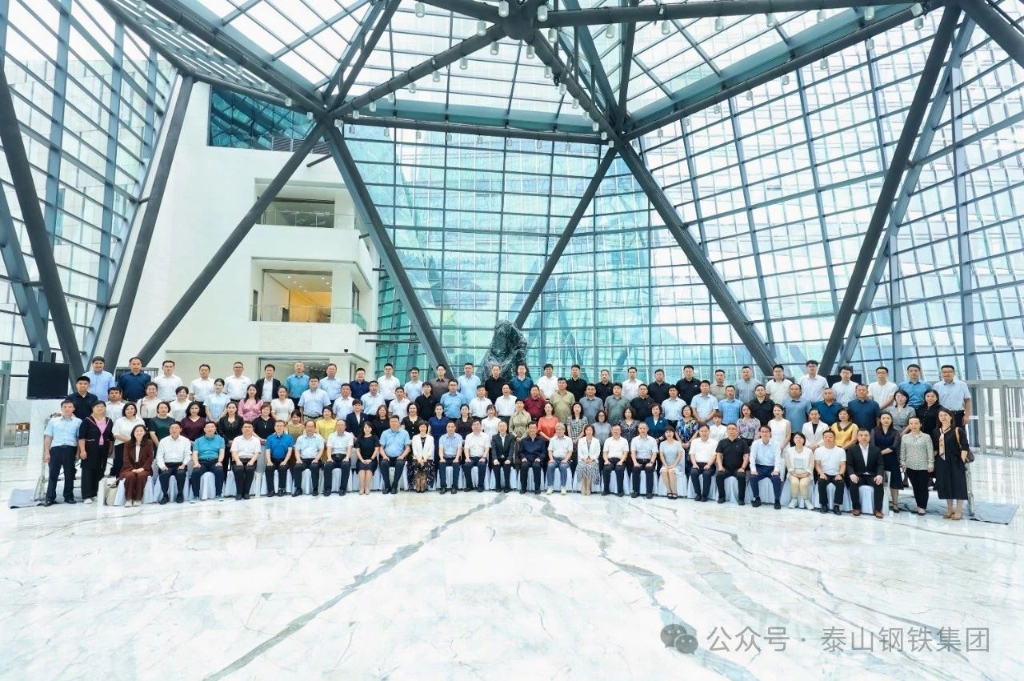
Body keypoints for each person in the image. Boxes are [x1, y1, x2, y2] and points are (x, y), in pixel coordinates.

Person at [932, 408, 970, 520]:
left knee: (958, 485)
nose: (943, 417)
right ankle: (949, 509)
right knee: (945, 485)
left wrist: (961, 461)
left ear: (950, 417)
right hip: (941, 461)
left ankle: (959, 510)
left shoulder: (957, 430)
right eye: (941, 415)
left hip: (955, 460)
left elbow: (964, 446)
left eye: (945, 415)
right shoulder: (936, 431)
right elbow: (935, 447)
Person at [42, 401, 82, 506]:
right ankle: (50, 498)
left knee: (69, 474)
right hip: (56, 449)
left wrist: (78, 452)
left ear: (73, 409)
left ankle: (68, 496)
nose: (67, 409)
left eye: (70, 407)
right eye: (65, 407)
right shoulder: (53, 421)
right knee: (53, 474)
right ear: (61, 408)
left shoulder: (78, 422)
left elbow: (79, 438)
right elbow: (48, 437)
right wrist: (47, 452)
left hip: (70, 449)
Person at [76, 401, 113, 505]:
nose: (100, 408)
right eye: (97, 406)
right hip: (89, 449)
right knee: (88, 471)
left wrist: (110, 449)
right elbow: (81, 437)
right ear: (93, 408)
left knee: (100, 470)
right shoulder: (87, 421)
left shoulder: (109, 421)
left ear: (105, 408)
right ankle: (87, 495)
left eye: (102, 406)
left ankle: (95, 493)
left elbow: (111, 438)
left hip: (103, 449)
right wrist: (83, 450)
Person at [847, 428, 885, 518]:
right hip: (858, 475)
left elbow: (880, 464)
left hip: (872, 475)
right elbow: (849, 464)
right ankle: (856, 508)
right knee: (853, 483)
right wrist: (852, 474)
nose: (863, 437)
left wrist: (879, 475)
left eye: (866, 435)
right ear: (857, 437)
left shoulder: (876, 450)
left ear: (869, 437)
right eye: (861, 435)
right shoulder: (852, 450)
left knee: (878, 483)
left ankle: (878, 510)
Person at [900, 416, 934, 515]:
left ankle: (922, 507)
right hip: (910, 466)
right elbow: (903, 451)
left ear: (920, 425)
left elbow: (930, 451)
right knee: (915, 487)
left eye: (916, 423)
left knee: (923, 487)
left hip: (924, 466)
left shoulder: (926, 437)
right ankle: (919, 505)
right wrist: (903, 462)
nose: (913, 425)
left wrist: (931, 463)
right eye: (911, 424)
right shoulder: (905, 437)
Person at [873, 412, 903, 513]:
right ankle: (879, 503)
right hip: (877, 460)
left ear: (891, 420)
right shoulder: (874, 431)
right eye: (883, 418)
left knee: (894, 482)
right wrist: (878, 455)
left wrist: (880, 453)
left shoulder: (896, 432)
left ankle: (895, 504)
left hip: (892, 459)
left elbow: (894, 446)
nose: (886, 420)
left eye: (888, 418)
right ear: (880, 420)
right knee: (878, 481)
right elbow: (872, 445)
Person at [748, 426, 783, 509]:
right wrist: (753, 469)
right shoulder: (755, 443)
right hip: (759, 467)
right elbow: (752, 457)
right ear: (759, 433)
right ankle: (757, 498)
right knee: (752, 477)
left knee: (776, 479)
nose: (765, 433)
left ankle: (777, 500)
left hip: (771, 467)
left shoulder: (776, 444)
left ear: (770, 433)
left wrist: (776, 470)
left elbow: (778, 457)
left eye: (767, 431)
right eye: (762, 432)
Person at [190, 421, 226, 502]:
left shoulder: (220, 439)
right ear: (204, 429)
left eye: (212, 427)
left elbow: (222, 452)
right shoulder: (198, 440)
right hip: (202, 462)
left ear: (215, 429)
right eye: (208, 427)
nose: (210, 428)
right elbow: (195, 453)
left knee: (219, 470)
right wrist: (196, 463)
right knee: (195, 472)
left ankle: (219, 494)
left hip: (215, 461)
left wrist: (219, 461)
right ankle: (195, 495)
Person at [156, 422, 190, 504]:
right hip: (166, 464)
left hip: (180, 464)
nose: (174, 430)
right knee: (164, 474)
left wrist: (183, 464)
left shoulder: (185, 441)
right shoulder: (163, 441)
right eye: (172, 428)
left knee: (181, 474)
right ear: (169, 430)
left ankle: (180, 494)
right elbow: (159, 455)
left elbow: (187, 455)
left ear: (180, 429)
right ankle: (165, 495)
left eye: (176, 428)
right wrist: (162, 466)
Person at [714, 425, 750, 505]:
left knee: (741, 476)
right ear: (727, 431)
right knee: (719, 475)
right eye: (729, 429)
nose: (731, 430)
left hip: (738, 468)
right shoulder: (722, 442)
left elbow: (746, 456)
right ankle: (721, 497)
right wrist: (720, 466)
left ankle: (741, 499)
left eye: (733, 429)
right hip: (726, 468)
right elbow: (718, 455)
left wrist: (743, 468)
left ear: (737, 431)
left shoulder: (742, 442)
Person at [120, 425, 154, 506]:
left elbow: (150, 457)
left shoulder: (149, 443)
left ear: (145, 432)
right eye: (137, 431)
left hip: (144, 468)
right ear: (133, 433)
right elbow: (125, 458)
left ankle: (138, 499)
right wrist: (132, 469)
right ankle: (129, 499)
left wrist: (142, 468)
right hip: (129, 467)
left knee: (141, 476)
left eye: (141, 431)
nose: (139, 433)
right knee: (130, 475)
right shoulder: (128, 443)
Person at [814, 430, 846, 515]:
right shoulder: (818, 450)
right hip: (824, 473)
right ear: (823, 438)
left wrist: (840, 474)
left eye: (830, 437)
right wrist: (821, 474)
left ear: (834, 438)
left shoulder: (841, 450)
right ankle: (824, 505)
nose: (828, 439)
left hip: (836, 473)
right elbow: (817, 465)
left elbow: (843, 465)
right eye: (825, 437)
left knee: (840, 483)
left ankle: (836, 506)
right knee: (821, 482)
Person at [111, 402, 145, 480]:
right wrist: (130, 441)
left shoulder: (140, 421)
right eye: (127, 409)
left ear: (135, 410)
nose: (130, 410)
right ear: (124, 410)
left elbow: (143, 432)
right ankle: (119, 481)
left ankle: (134, 481)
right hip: (121, 445)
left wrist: (135, 441)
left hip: (136, 445)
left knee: (135, 463)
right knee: (120, 464)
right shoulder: (119, 421)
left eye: (132, 408)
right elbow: (115, 434)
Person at [292, 420, 326, 497]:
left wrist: (316, 459)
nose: (310, 428)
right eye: (308, 427)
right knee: (297, 467)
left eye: (311, 427)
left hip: (315, 459)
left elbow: (321, 450)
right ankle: (298, 489)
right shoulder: (300, 438)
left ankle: (315, 488)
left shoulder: (319, 437)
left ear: (315, 428)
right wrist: (298, 459)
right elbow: (297, 450)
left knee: (314, 467)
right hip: (303, 459)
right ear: (305, 428)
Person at [230, 422, 262, 500]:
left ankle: (246, 493)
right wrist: (238, 461)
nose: (247, 428)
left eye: (249, 427)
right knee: (239, 470)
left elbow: (257, 453)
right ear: (242, 429)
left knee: (250, 470)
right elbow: (233, 452)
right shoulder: (237, 439)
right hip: (238, 459)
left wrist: (251, 461)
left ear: (252, 429)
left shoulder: (256, 440)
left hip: (251, 460)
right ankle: (239, 493)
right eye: (245, 427)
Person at [379, 416, 410, 494]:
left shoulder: (405, 433)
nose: (393, 423)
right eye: (391, 421)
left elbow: (407, 448)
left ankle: (394, 486)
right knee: (383, 463)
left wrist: (402, 456)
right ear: (389, 423)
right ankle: (387, 486)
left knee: (400, 463)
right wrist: (384, 456)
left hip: (399, 457)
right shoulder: (385, 433)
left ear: (399, 422)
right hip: (387, 457)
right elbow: (381, 447)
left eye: (395, 421)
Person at [264, 419, 294, 497]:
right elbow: (267, 450)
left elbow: (289, 451)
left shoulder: (289, 437)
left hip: (284, 459)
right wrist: (269, 461)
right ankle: (271, 490)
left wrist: (285, 461)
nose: (279, 427)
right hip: (273, 459)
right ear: (274, 427)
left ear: (284, 427)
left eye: (281, 426)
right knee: (268, 468)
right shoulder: (270, 438)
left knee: (282, 468)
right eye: (277, 426)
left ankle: (281, 489)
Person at [687, 424, 717, 501]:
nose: (704, 433)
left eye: (706, 431)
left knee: (706, 474)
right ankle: (698, 494)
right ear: (699, 432)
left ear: (709, 431)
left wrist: (709, 465)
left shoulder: (714, 442)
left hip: (710, 465)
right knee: (693, 473)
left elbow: (714, 455)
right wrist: (694, 464)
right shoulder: (694, 441)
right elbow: (692, 454)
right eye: (702, 431)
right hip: (697, 464)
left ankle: (705, 495)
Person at [324, 420, 354, 496]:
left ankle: (343, 489)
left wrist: (347, 457)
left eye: (342, 425)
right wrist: (329, 458)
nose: (340, 426)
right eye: (338, 425)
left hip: (344, 456)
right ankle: (327, 489)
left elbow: (349, 447)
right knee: (327, 466)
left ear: (345, 426)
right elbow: (329, 447)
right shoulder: (331, 435)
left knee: (345, 465)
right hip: (333, 456)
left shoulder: (349, 435)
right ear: (336, 426)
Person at [785, 432, 814, 509]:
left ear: (804, 440)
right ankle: (794, 500)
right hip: (793, 473)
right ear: (793, 439)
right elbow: (788, 463)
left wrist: (806, 473)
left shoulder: (809, 451)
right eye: (796, 438)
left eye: (800, 438)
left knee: (803, 484)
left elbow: (811, 464)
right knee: (795, 483)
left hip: (806, 474)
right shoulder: (789, 450)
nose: (798, 439)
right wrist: (793, 473)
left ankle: (806, 501)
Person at [629, 422, 658, 498]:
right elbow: (633, 452)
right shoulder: (634, 440)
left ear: (647, 429)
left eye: (644, 428)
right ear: (638, 429)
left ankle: (649, 492)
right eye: (641, 428)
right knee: (635, 469)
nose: (642, 430)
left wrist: (651, 462)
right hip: (638, 460)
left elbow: (654, 453)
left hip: (649, 460)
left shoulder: (652, 440)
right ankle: (635, 491)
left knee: (649, 469)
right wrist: (635, 462)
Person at [601, 424, 629, 497]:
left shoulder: (624, 441)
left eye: (617, 430)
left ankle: (620, 491)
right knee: (606, 469)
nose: (615, 431)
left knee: (619, 469)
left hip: (620, 460)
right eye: (614, 430)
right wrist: (606, 460)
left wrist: (621, 461)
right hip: (610, 460)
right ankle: (606, 490)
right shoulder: (608, 440)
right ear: (611, 431)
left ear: (620, 431)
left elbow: (625, 453)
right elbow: (605, 452)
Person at [462, 419, 490, 492]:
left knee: (482, 465)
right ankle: (469, 486)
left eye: (477, 424)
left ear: (481, 426)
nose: (476, 426)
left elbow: (487, 448)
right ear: (472, 427)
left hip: (482, 457)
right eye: (474, 425)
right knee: (466, 465)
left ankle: (480, 486)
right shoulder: (468, 436)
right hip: (471, 457)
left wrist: (483, 457)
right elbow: (466, 448)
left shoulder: (486, 436)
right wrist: (467, 458)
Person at [519, 422, 546, 494]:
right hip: (527, 459)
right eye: (530, 428)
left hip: (537, 459)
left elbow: (543, 452)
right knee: (523, 466)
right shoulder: (523, 440)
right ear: (527, 429)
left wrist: (539, 458)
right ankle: (523, 488)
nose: (532, 429)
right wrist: (523, 457)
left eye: (534, 428)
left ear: (537, 429)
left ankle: (537, 488)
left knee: (536, 466)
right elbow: (521, 452)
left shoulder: (541, 440)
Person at [408, 421, 436, 493]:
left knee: (426, 464)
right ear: (419, 428)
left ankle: (423, 483)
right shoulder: (415, 437)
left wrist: (424, 459)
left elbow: (431, 450)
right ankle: (417, 483)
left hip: (428, 458)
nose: (422, 428)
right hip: (417, 458)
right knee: (416, 464)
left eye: (424, 427)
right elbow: (414, 450)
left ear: (427, 428)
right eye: (421, 427)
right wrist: (419, 459)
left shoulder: (431, 438)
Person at [437, 421, 464, 494]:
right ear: (446, 428)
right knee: (441, 464)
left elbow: (459, 449)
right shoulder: (442, 437)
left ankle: (454, 487)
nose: (450, 428)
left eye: (452, 427)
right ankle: (443, 487)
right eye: (448, 427)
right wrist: (441, 458)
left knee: (456, 465)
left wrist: (456, 458)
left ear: (455, 428)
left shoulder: (459, 437)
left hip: (455, 457)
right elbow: (440, 449)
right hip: (445, 457)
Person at [354, 421, 380, 496]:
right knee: (362, 468)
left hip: (372, 459)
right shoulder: (359, 438)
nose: (367, 429)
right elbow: (357, 451)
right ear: (363, 428)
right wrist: (362, 460)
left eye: (369, 427)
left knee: (368, 468)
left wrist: (371, 459)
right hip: (361, 459)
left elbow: (376, 449)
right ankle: (362, 487)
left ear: (371, 428)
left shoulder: (375, 437)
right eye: (365, 427)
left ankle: (367, 487)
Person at [546, 423, 573, 494]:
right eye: (557, 429)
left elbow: (570, 452)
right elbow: (550, 451)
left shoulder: (569, 440)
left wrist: (566, 460)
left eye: (560, 429)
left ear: (564, 430)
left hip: (565, 459)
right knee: (550, 466)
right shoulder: (552, 439)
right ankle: (550, 487)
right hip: (554, 459)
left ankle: (563, 487)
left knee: (563, 467)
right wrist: (551, 459)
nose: (558, 431)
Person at [490, 420, 515, 493]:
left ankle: (507, 486)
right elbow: (493, 449)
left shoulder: (511, 437)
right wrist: (495, 459)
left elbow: (511, 449)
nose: (502, 428)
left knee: (507, 466)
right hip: (497, 458)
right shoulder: (494, 437)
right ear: (498, 428)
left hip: (507, 458)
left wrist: (509, 459)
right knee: (496, 466)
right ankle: (498, 486)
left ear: (507, 427)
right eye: (500, 426)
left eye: (504, 426)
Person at [659, 428, 684, 499]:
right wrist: (665, 465)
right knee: (664, 471)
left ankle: (674, 491)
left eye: (670, 432)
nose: (668, 434)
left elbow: (679, 456)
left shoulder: (678, 443)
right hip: (665, 464)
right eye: (666, 432)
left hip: (676, 464)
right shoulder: (662, 443)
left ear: (673, 433)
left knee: (671, 471)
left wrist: (673, 465)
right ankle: (669, 491)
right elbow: (661, 456)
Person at [577, 424, 601, 496]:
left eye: (590, 430)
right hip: (582, 460)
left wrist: (592, 459)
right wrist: (584, 459)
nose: (588, 431)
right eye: (587, 430)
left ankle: (588, 487)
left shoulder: (596, 441)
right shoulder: (581, 440)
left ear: (593, 431)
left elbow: (598, 452)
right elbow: (579, 452)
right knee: (583, 466)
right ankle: (583, 486)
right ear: (585, 431)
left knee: (589, 467)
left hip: (593, 460)